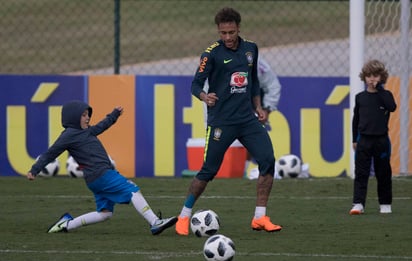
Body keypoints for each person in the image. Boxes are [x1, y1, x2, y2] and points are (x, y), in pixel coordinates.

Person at [175, 7, 282, 235]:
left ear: (238, 28)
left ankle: (260, 217)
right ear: (218, 31)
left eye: (231, 32)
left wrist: (258, 107)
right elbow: (195, 84)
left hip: (247, 120)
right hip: (221, 122)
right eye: (223, 33)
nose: (227, 38)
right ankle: (184, 216)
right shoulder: (210, 54)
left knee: (267, 161)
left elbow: (253, 82)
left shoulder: (250, 49)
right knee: (208, 170)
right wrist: (205, 96)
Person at [27, 100, 177, 234]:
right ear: (73, 117)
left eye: (88, 115)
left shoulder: (86, 131)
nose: (88, 118)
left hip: (95, 179)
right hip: (102, 175)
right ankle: (155, 222)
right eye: (84, 115)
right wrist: (35, 170)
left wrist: (114, 115)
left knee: (105, 213)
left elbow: (102, 126)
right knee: (133, 190)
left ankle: (66, 225)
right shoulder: (68, 135)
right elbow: (50, 154)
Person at [350, 60, 397, 215]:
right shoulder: (360, 97)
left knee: (383, 172)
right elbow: (356, 119)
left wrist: (381, 89)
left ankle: (385, 203)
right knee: (361, 173)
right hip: (364, 140)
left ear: (381, 77)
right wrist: (354, 139)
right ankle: (358, 204)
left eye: (375, 76)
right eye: (369, 76)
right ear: (364, 77)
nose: (372, 79)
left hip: (381, 140)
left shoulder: (386, 95)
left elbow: (392, 107)